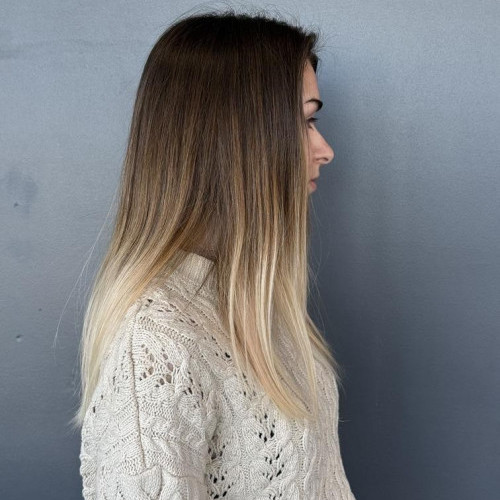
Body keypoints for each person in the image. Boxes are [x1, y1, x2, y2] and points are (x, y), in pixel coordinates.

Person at [74, 8, 356, 499]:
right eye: (304, 121)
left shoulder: (246, 303)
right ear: (234, 139)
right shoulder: (154, 347)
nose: (325, 149)